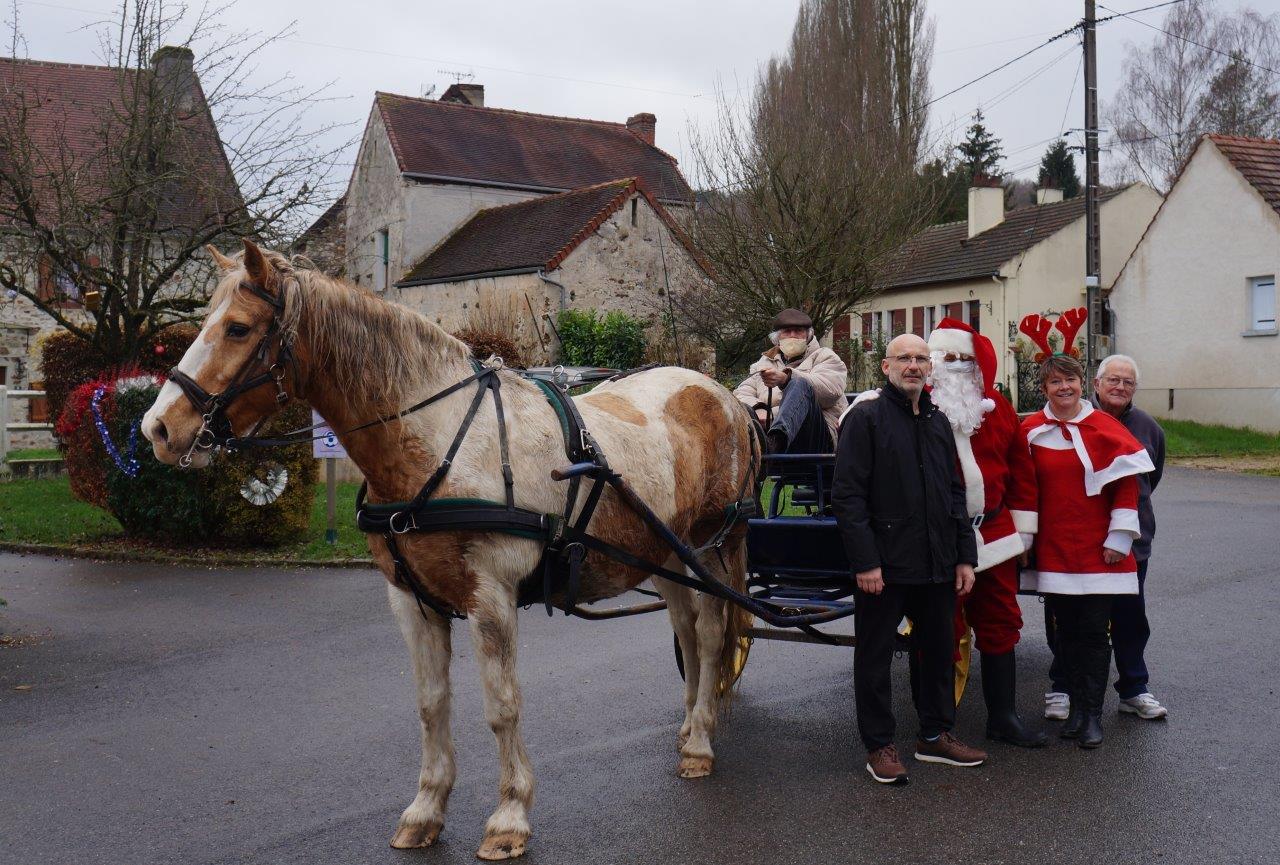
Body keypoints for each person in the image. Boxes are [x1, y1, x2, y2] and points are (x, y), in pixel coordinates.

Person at [832, 333, 985, 785]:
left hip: (936, 560)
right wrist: (865, 562)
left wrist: (964, 557)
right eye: (904, 358)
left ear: (930, 369)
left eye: (921, 358)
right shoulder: (867, 419)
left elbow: (954, 494)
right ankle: (879, 745)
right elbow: (847, 496)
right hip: (885, 565)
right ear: (886, 367)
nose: (913, 366)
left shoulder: (938, 422)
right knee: (876, 656)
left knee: (937, 650)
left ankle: (935, 735)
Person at [1021, 354, 1154, 749]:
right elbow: (1023, 489)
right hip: (1056, 547)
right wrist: (1024, 541)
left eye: (1071, 380)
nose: (1065, 388)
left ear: (1083, 384)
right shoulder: (1030, 430)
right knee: (1066, 632)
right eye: (1056, 382)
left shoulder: (1104, 426)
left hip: (1100, 550)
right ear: (1043, 389)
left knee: (1095, 633)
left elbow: (1127, 486)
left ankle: (1092, 715)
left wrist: (1119, 538)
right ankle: (1075, 710)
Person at [923, 319, 1046, 748]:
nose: (955, 366)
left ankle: (1003, 718)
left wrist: (1024, 531)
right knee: (940, 628)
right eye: (946, 358)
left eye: (964, 359)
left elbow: (1022, 472)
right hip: (937, 539)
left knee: (1001, 623)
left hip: (993, 535)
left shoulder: (998, 408)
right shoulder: (916, 407)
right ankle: (937, 726)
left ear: (978, 365)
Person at [1044, 355, 1168, 721]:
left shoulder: (1147, 426)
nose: (1120, 387)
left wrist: (1126, 528)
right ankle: (1063, 685)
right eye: (1113, 380)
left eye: (1128, 383)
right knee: (1065, 619)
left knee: (1130, 618)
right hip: (1072, 539)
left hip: (1131, 539)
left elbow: (1150, 476)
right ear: (1095, 384)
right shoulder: (1069, 417)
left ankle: (1133, 688)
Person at [733, 308, 848, 453]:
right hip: (766, 430)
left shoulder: (825, 357)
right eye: (787, 331)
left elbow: (831, 392)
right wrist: (759, 408)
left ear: (808, 335)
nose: (792, 336)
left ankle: (777, 441)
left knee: (800, 384)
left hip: (816, 435)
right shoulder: (763, 363)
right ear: (777, 338)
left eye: (798, 330)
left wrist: (786, 378)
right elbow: (741, 393)